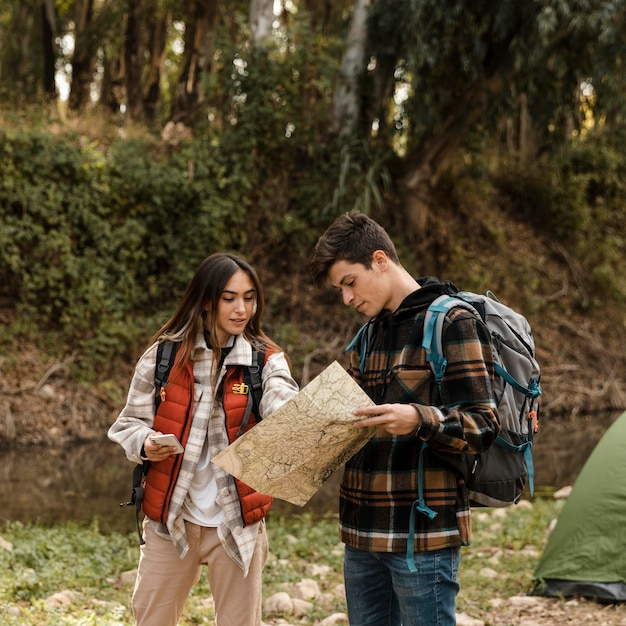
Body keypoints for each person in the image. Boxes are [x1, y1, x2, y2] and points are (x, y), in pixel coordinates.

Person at [310, 212, 500, 626]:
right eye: (339, 289)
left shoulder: (454, 321)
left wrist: (418, 418)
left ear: (379, 260)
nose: (347, 299)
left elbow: (483, 424)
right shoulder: (370, 332)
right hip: (361, 535)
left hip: (423, 537)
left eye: (349, 283)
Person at [108, 252, 299, 626]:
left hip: (237, 521)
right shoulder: (162, 357)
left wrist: (296, 415)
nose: (241, 308)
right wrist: (146, 442)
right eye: (229, 298)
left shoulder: (265, 362)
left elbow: (282, 398)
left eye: (249, 297)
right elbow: (128, 423)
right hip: (171, 520)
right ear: (207, 301)